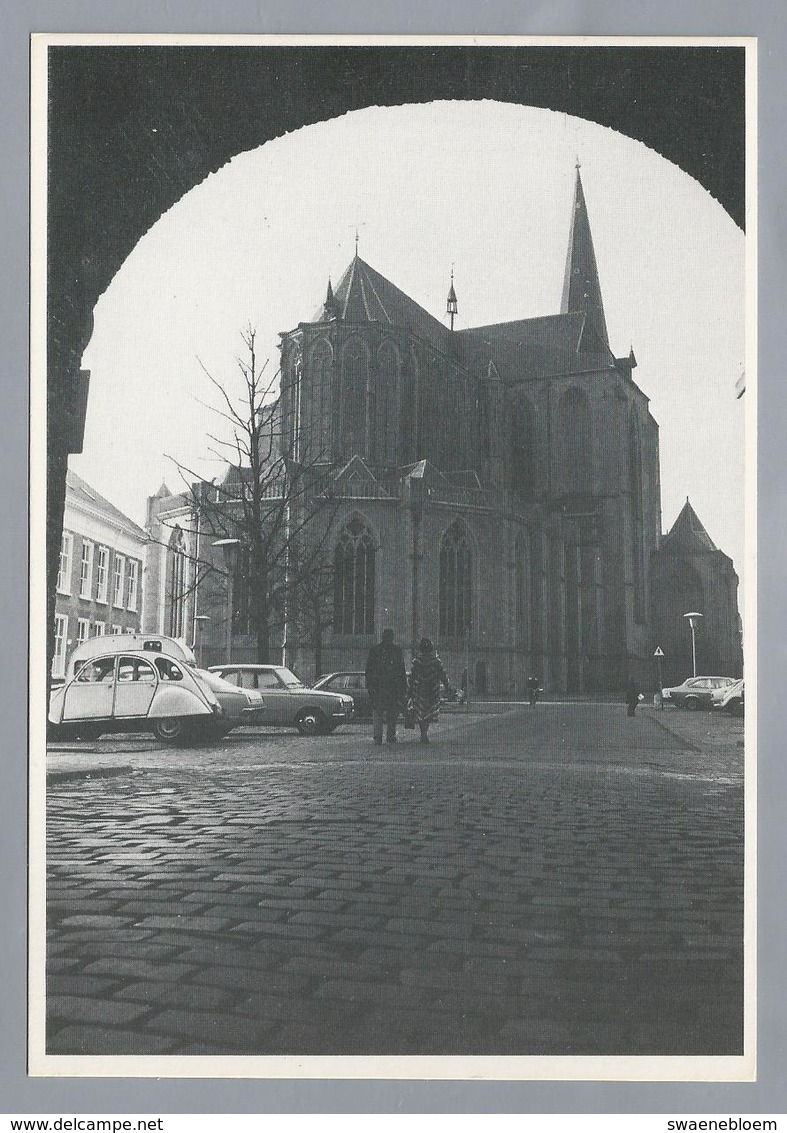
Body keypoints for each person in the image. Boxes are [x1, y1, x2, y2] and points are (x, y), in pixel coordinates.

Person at [365, 628, 407, 745]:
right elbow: (401, 670)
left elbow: (368, 670)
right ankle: (388, 736)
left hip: (383, 688)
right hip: (386, 688)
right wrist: (403, 687)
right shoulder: (395, 651)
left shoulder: (377, 650)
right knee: (389, 714)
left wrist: (370, 686)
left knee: (382, 714)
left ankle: (381, 737)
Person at [409, 637, 451, 744]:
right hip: (432, 691)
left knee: (420, 712)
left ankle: (423, 732)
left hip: (419, 691)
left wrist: (409, 689)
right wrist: (448, 687)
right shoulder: (436, 662)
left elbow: (412, 677)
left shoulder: (417, 662)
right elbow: (443, 675)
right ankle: (424, 733)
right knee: (428, 712)